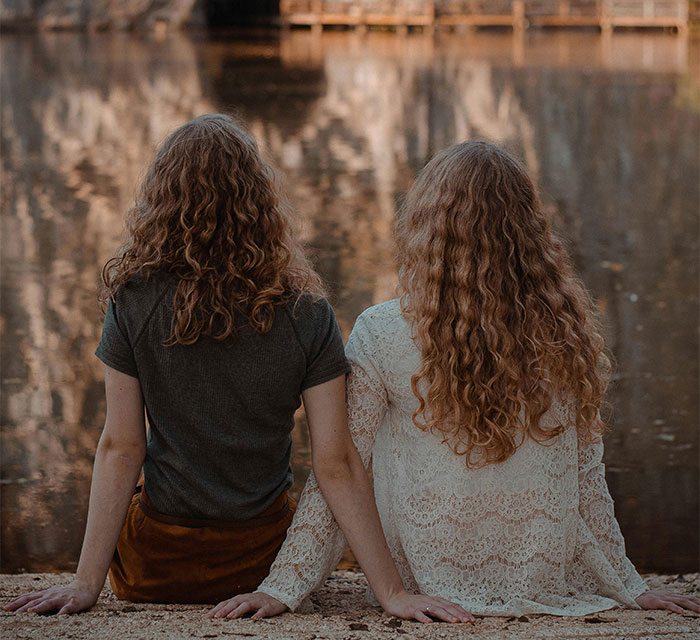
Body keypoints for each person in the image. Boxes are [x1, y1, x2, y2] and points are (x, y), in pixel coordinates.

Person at [5, 115, 470, 624]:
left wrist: (84, 583)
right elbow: (335, 463)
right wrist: (392, 593)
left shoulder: (132, 303)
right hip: (261, 562)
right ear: (259, 201)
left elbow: (122, 446)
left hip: (155, 567)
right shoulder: (305, 312)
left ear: (161, 199)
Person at [221, 141, 700, 618]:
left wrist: (285, 585)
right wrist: (628, 584)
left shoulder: (384, 330)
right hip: (539, 573)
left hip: (424, 576)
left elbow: (342, 464)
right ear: (528, 231)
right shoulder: (566, 330)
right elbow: (586, 476)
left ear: (425, 228)